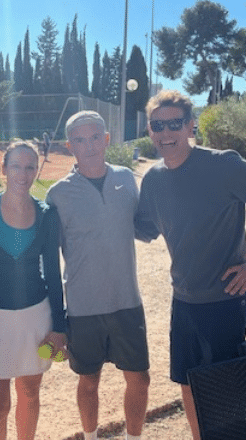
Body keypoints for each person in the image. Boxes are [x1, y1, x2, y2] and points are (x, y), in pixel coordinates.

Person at [134, 90, 246, 440]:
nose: (166, 133)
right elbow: (142, 228)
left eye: (174, 124)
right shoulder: (153, 180)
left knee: (225, 391)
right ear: (150, 131)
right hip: (182, 301)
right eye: (158, 125)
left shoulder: (223, 165)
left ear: (190, 125)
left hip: (225, 301)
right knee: (188, 383)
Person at [46, 111, 150, 440]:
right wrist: (56, 323)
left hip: (126, 301)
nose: (88, 145)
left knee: (140, 379)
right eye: (79, 139)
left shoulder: (127, 179)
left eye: (94, 137)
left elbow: (147, 226)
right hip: (83, 309)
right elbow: (49, 261)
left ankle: (135, 437)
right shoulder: (57, 195)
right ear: (69, 146)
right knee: (89, 382)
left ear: (106, 140)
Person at [0, 140, 67, 440]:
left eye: (30, 167)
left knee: (29, 394)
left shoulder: (48, 213)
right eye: (16, 167)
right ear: (4, 169)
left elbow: (52, 271)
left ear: (36, 170)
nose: (23, 175)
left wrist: (60, 327)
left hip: (36, 318)